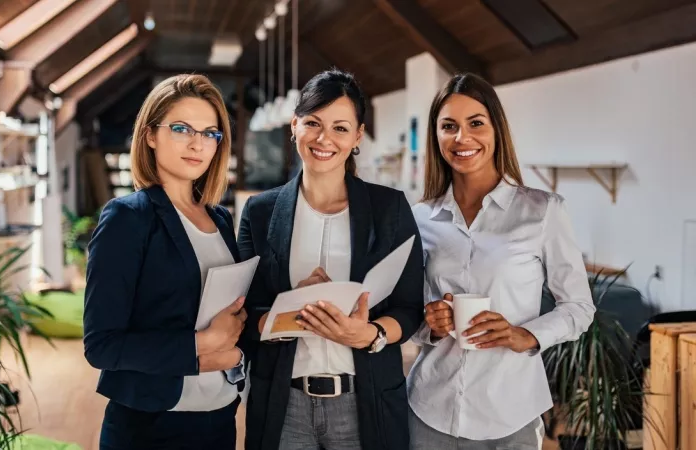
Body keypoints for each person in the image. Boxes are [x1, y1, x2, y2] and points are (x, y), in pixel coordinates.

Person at [237, 69, 425, 450]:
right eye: (313, 123)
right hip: (283, 402)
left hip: (365, 401)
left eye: (340, 128)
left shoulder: (390, 209)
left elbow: (409, 307)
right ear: (294, 126)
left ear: (357, 136)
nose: (324, 139)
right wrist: (285, 311)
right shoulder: (260, 212)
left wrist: (370, 334)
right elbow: (241, 314)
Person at [407, 72, 596, 449]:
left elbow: (579, 307)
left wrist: (524, 335)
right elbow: (407, 313)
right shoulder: (420, 218)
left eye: (476, 123)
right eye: (449, 126)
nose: (462, 138)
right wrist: (431, 324)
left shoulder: (543, 211)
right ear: (436, 136)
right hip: (429, 408)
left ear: (496, 129)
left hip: (511, 413)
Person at [84, 74, 247, 450]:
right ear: (151, 135)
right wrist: (200, 346)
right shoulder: (128, 218)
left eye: (210, 133)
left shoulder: (220, 218)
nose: (197, 143)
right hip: (151, 426)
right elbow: (101, 345)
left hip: (220, 419)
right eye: (181, 128)